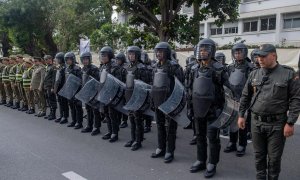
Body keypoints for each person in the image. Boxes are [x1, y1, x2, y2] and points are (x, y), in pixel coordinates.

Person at [238, 44, 300, 180]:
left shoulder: (288, 74)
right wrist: (241, 115)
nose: (260, 59)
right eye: (258, 56)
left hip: (277, 124)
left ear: (274, 55)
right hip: (256, 122)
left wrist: (290, 122)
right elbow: (245, 96)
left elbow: (296, 100)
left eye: (263, 56)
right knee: (259, 156)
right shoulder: (254, 73)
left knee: (274, 158)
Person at [188, 38, 229, 178]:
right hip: (198, 108)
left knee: (213, 138)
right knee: (199, 136)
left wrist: (224, 113)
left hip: (214, 110)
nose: (203, 52)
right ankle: (201, 160)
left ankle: (212, 163)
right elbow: (190, 89)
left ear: (211, 51)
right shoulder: (194, 69)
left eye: (205, 49)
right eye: (201, 49)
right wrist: (189, 108)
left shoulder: (219, 69)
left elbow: (228, 91)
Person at [150, 42, 184, 163]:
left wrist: (177, 103)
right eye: (157, 51)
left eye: (161, 51)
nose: (158, 53)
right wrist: (152, 100)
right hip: (158, 100)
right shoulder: (155, 66)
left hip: (170, 102)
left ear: (167, 52)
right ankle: (161, 148)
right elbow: (152, 84)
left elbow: (180, 86)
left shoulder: (174, 67)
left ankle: (170, 151)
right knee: (159, 125)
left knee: (171, 128)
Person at [224, 43, 254, 157]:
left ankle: (242, 144)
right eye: (235, 52)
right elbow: (227, 82)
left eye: (240, 52)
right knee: (232, 121)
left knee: (242, 123)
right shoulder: (230, 67)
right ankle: (232, 142)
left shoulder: (250, 67)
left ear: (244, 53)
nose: (237, 54)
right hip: (232, 99)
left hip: (244, 99)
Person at [124, 46, 151, 150]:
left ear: (137, 55)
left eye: (132, 54)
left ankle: (138, 141)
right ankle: (133, 138)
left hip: (138, 98)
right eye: (129, 54)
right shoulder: (127, 67)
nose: (130, 56)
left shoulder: (142, 67)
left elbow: (144, 85)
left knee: (138, 119)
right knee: (131, 119)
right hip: (129, 97)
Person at [80, 51, 101, 136]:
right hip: (86, 92)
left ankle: (96, 127)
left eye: (86, 59)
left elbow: (97, 82)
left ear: (89, 59)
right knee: (88, 110)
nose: (85, 61)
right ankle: (89, 125)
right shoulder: (83, 69)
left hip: (94, 93)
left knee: (95, 110)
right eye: (83, 59)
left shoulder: (94, 68)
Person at [64, 52, 83, 129]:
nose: (68, 61)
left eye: (69, 59)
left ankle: (79, 122)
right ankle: (74, 121)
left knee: (78, 107)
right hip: (69, 91)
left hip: (76, 91)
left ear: (73, 59)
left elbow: (80, 81)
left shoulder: (77, 69)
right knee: (71, 107)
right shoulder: (67, 68)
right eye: (67, 59)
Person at [53, 52, 69, 124]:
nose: (57, 60)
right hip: (59, 87)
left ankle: (65, 117)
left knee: (64, 103)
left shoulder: (65, 67)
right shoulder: (59, 67)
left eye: (58, 59)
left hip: (63, 87)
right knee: (60, 102)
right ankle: (61, 115)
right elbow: (57, 79)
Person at [115, 52, 129, 129]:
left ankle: (125, 121)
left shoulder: (125, 68)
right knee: (118, 105)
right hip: (118, 89)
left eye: (118, 60)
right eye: (116, 59)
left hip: (124, 89)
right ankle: (119, 120)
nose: (117, 61)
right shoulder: (116, 67)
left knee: (124, 106)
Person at [43, 55, 57, 120]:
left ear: (50, 59)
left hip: (50, 86)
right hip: (46, 85)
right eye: (45, 59)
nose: (45, 61)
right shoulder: (47, 67)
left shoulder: (53, 67)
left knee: (52, 100)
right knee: (48, 100)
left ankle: (53, 114)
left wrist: (53, 87)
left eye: (46, 59)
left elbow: (54, 78)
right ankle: (51, 113)